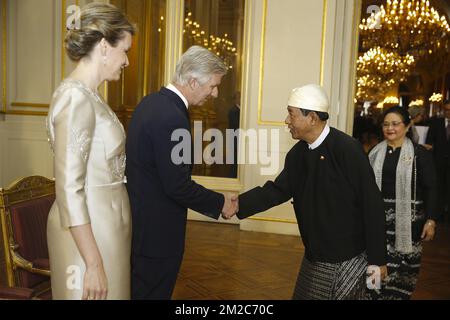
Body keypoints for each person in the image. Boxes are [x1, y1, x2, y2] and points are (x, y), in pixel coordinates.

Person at [236, 84, 387, 300]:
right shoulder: (297, 154)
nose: (287, 121)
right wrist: (238, 204)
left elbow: (371, 204)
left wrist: (378, 260)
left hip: (348, 257)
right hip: (315, 255)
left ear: (312, 118)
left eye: (291, 114)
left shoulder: (347, 149)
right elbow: (278, 190)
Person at [126, 45, 238, 300]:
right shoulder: (171, 116)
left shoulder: (151, 102)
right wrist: (220, 201)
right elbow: (176, 185)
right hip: (158, 233)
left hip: (143, 225)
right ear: (192, 80)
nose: (216, 93)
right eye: (212, 86)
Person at [46, 3, 135, 300]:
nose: (126, 61)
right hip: (88, 234)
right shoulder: (75, 98)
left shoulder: (90, 96)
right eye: (125, 50)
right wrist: (93, 264)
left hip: (105, 228)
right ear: (103, 46)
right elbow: (69, 189)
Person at [367, 106, 438, 300]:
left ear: (407, 126)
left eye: (395, 124)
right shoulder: (374, 153)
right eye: (386, 124)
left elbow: (432, 188)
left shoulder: (419, 153)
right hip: (378, 225)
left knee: (401, 278)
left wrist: (431, 219)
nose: (390, 128)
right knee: (374, 273)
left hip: (408, 225)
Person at [426, 101, 450, 223]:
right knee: (439, 187)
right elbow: (429, 141)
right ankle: (438, 214)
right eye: (446, 110)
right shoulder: (436, 123)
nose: (448, 112)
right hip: (438, 161)